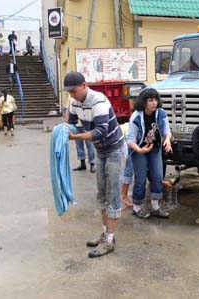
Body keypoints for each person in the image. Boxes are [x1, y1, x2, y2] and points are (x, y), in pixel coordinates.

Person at [64, 71, 127, 258]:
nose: (72, 95)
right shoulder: (75, 102)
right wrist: (64, 130)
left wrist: (74, 136)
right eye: (69, 93)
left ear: (84, 85)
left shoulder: (99, 100)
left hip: (115, 150)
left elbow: (100, 131)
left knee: (113, 194)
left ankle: (110, 240)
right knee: (101, 194)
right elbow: (72, 122)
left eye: (74, 91)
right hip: (100, 151)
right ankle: (105, 233)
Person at [126, 88, 172, 219]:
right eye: (150, 100)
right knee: (140, 178)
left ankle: (156, 206)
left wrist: (167, 140)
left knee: (157, 176)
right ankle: (136, 207)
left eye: (156, 99)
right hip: (138, 149)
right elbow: (130, 140)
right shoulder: (136, 116)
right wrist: (140, 150)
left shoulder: (161, 113)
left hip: (155, 149)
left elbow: (167, 130)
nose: (154, 103)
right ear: (143, 102)